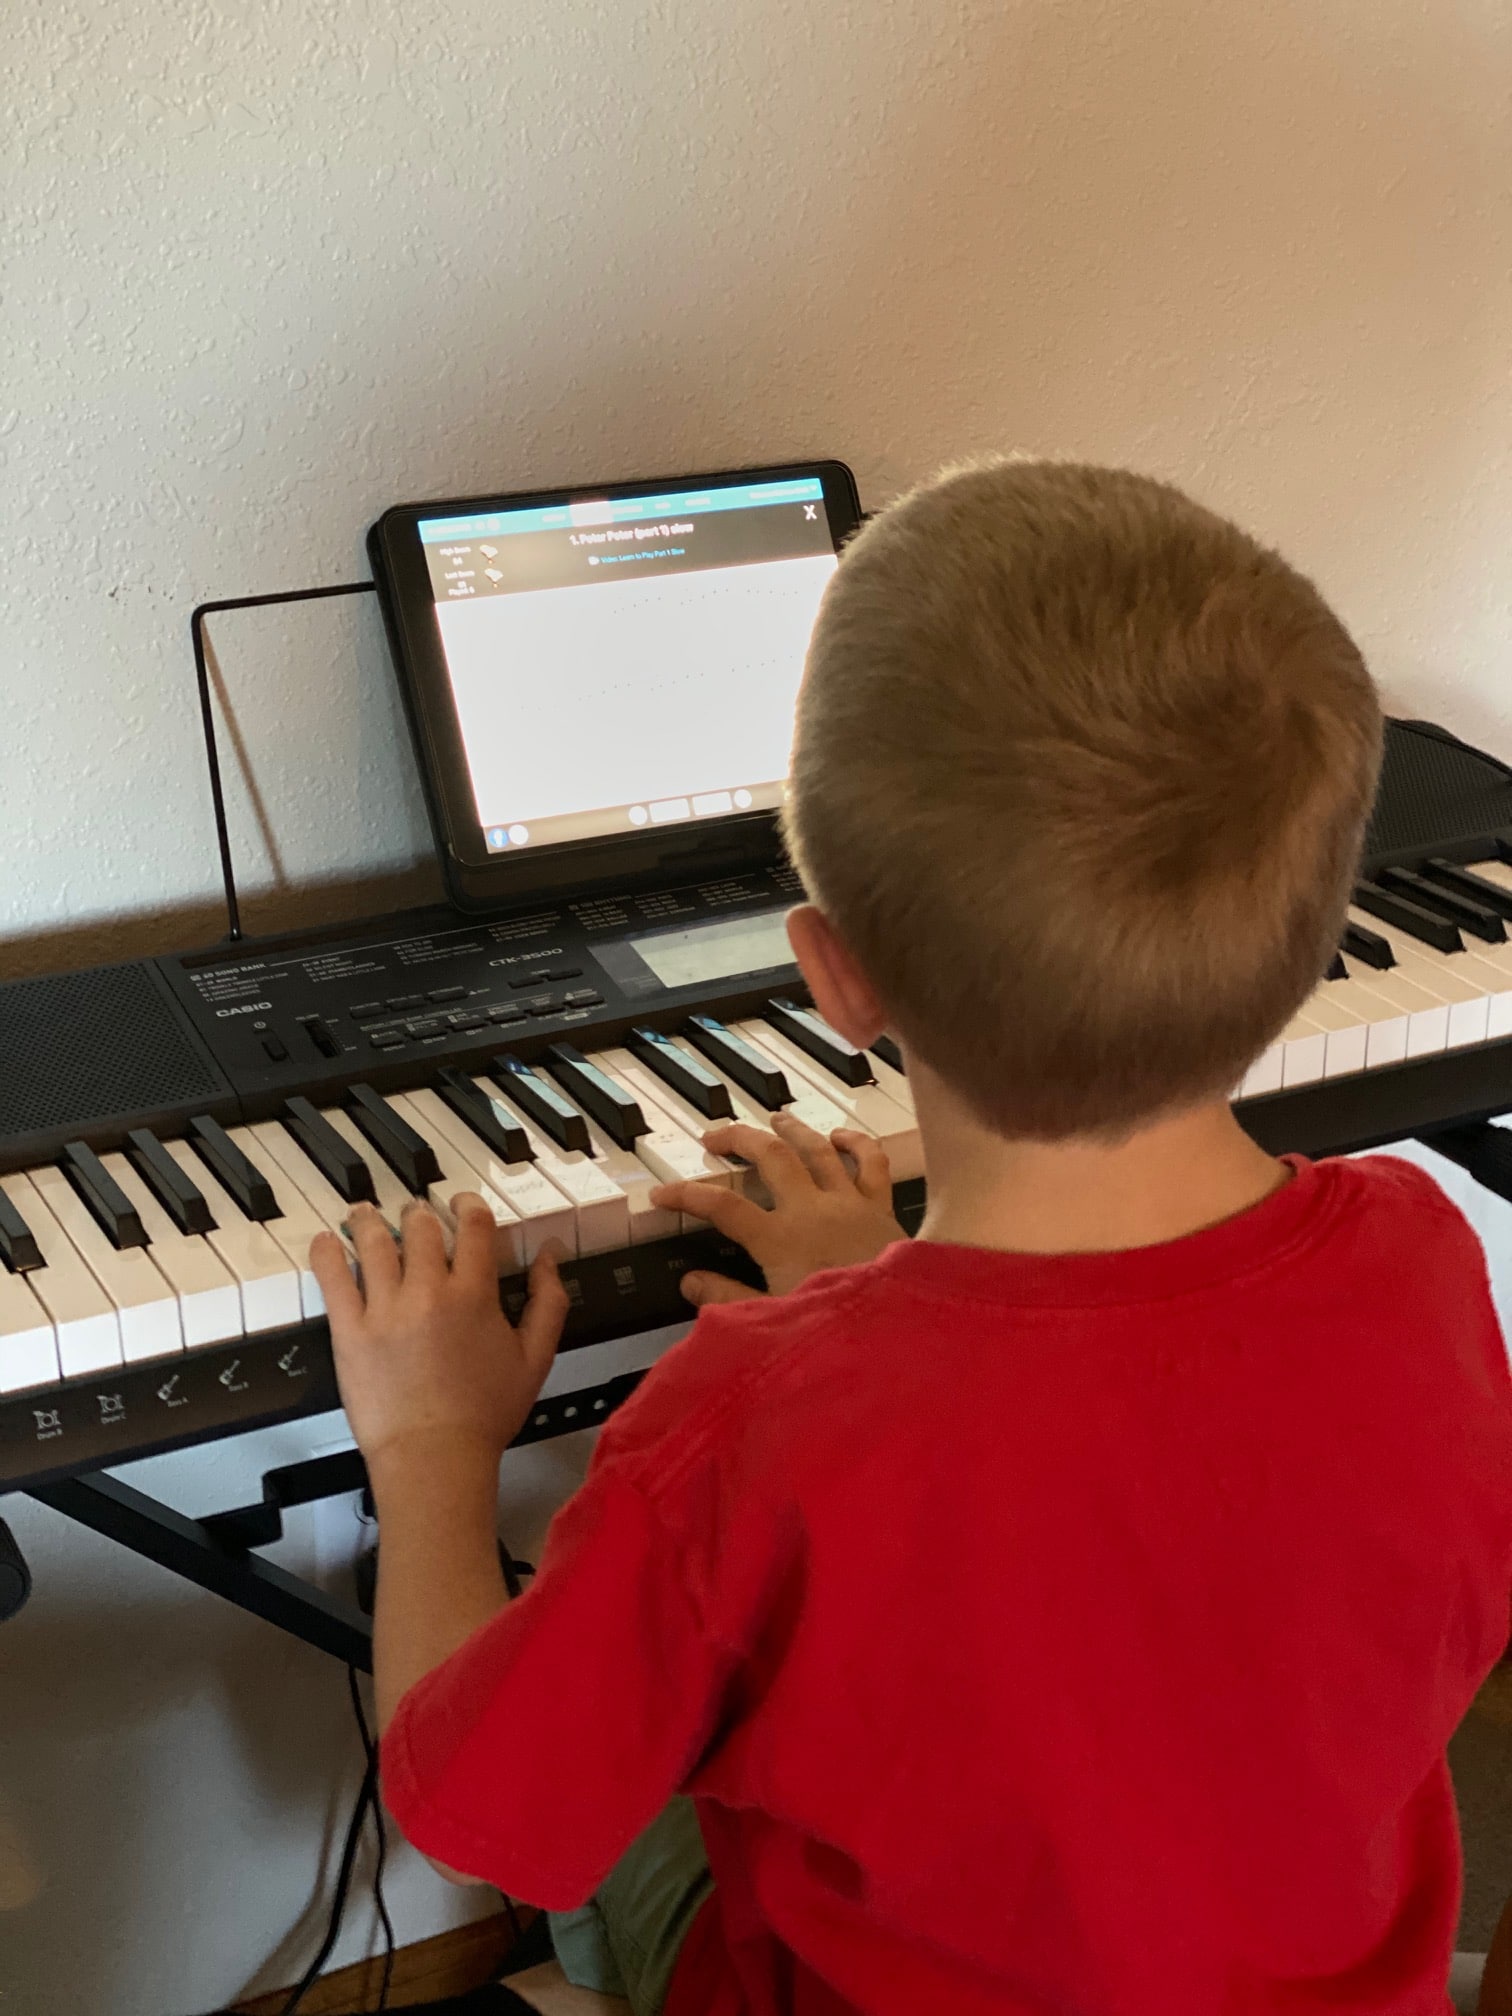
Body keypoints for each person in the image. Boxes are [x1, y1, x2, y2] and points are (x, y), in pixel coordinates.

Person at [311, 459, 1512, 2016]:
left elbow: (469, 1809)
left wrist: (427, 1444)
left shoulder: (755, 1421)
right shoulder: (1421, 1254)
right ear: (1315, 939)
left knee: (614, 1786)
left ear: (837, 978)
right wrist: (863, 1290)